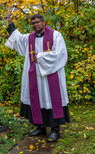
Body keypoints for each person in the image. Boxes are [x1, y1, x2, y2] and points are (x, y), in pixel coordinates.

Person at [5, 14, 70, 142]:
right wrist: (11, 23)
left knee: (52, 100)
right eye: (33, 23)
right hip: (34, 75)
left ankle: (55, 130)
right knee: (37, 99)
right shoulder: (29, 38)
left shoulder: (56, 35)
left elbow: (60, 54)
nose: (35, 25)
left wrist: (40, 58)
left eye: (38, 22)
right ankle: (40, 127)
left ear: (44, 22)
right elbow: (17, 39)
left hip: (52, 75)